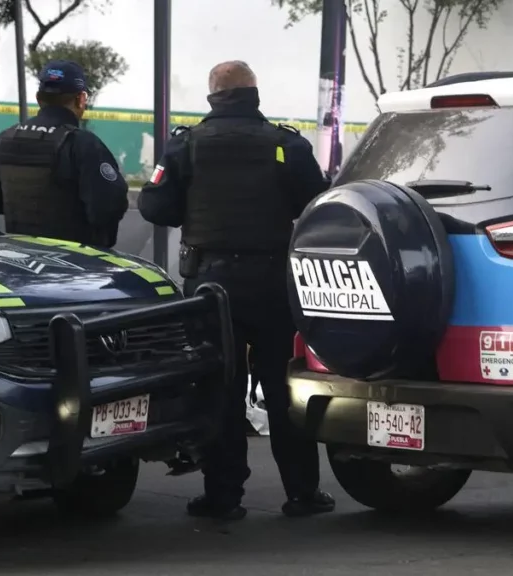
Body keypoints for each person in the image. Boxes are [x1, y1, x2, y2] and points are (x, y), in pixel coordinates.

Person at [138, 60, 332, 520]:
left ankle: (224, 497)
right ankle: (302, 493)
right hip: (272, 283)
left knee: (220, 388)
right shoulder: (287, 143)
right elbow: (318, 203)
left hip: (211, 285)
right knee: (283, 389)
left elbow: (154, 207)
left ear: (212, 96)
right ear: (254, 94)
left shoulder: (186, 145)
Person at [0, 60, 129, 248]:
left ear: (38, 98)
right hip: (77, 264)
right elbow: (108, 207)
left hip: (22, 259)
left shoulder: (5, 138)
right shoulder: (83, 144)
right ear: (80, 99)